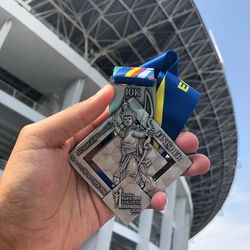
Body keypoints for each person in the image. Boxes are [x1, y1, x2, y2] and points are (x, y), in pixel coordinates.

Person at [0, 85, 210, 249]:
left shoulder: (137, 130)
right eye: (126, 117)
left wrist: (17, 243)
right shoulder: (122, 128)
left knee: (137, 176)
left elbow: (147, 138)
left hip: (132, 159)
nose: (127, 119)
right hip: (120, 161)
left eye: (129, 117)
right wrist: (12, 235)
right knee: (124, 175)